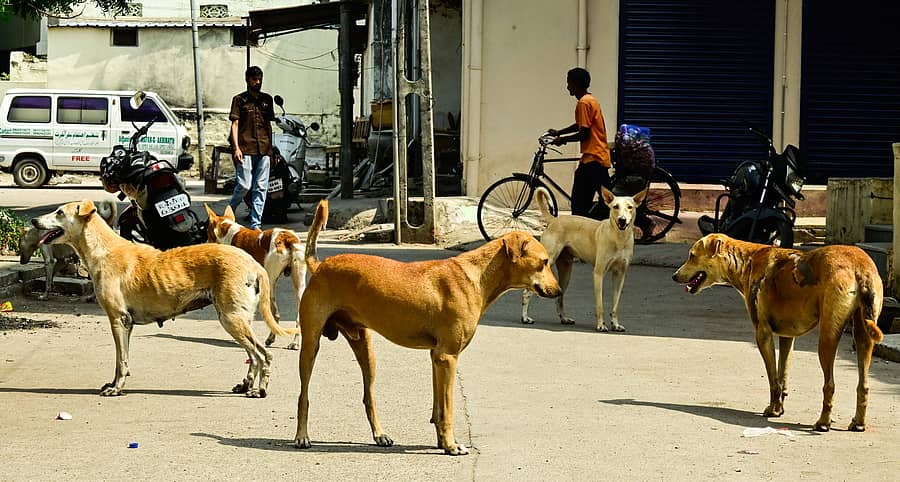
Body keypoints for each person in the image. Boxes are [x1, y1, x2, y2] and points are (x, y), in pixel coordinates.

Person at [548, 67, 612, 219]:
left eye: (569, 82)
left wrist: (562, 140)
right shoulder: (590, 100)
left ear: (576, 83)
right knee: (603, 198)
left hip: (593, 158)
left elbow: (584, 133)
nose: (567, 86)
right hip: (596, 156)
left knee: (580, 202)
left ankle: (581, 234)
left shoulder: (583, 103)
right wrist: (559, 132)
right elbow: (581, 125)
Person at [229, 65, 275, 230]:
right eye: (254, 79)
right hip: (245, 148)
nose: (257, 82)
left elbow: (269, 125)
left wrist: (270, 148)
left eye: (259, 79)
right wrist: (236, 148)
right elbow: (235, 124)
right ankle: (228, 213)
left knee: (261, 188)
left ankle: (256, 224)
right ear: (247, 80)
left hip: (264, 149)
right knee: (244, 185)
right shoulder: (239, 100)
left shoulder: (267, 100)